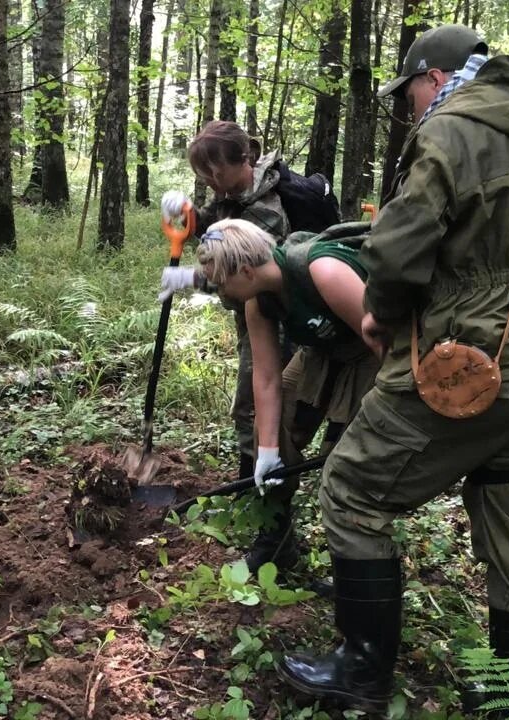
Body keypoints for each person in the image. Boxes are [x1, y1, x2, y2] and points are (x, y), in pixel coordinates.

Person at [274, 25, 509, 714]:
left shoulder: (447, 132)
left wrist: (380, 318)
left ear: (434, 76)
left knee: (351, 490)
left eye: (410, 92)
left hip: (459, 361)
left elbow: (398, 251)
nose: (411, 106)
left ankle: (362, 672)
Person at [171, 219, 381, 575]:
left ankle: (358, 571)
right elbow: (267, 379)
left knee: (346, 466)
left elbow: (388, 344)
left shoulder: (324, 271)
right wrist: (268, 453)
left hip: (370, 354)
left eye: (222, 284)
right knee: (272, 431)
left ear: (247, 271)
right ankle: (276, 545)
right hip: (322, 352)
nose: (221, 294)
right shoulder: (259, 302)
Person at [156, 122, 300, 571]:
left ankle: (272, 526)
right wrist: (192, 216)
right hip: (253, 316)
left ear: (245, 160)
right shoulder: (233, 196)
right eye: (204, 177)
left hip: (284, 322)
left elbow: (247, 275)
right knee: (247, 411)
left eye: (217, 172)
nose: (211, 183)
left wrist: (194, 278)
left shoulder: (269, 209)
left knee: (264, 413)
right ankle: (249, 492)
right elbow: (219, 234)